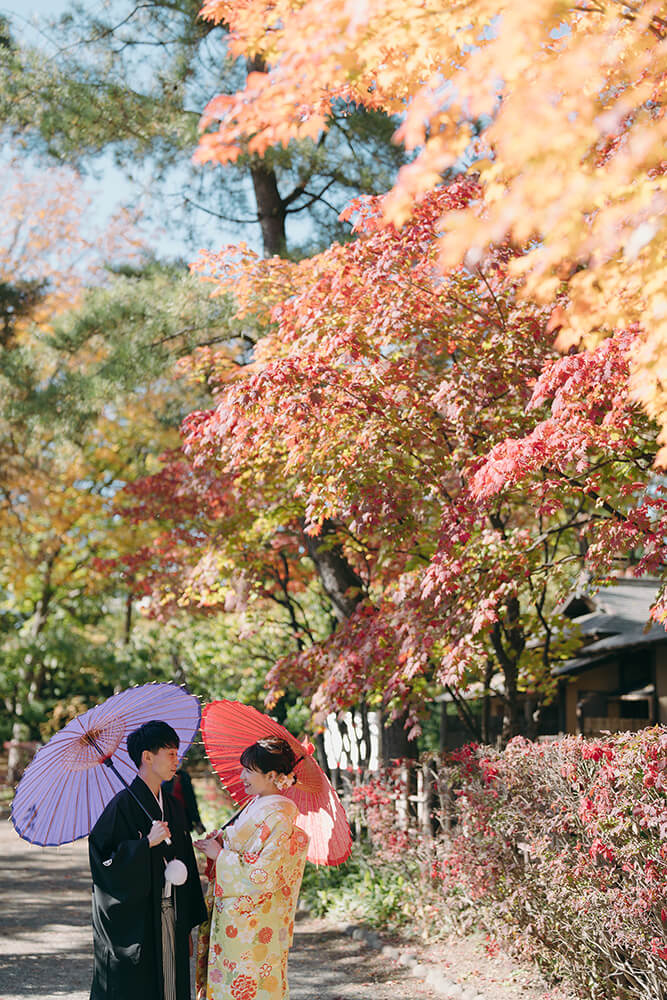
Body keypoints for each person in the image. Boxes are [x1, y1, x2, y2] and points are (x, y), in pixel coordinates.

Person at [88, 719, 207, 1000]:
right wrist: (144, 845)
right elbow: (102, 860)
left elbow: (186, 862)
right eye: (171, 754)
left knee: (171, 983)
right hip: (139, 919)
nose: (176, 760)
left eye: (177, 754)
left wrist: (185, 922)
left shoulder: (173, 806)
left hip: (171, 911)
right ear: (147, 757)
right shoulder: (122, 806)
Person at [194, 738, 309, 1000]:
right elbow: (243, 847)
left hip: (256, 918)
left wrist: (220, 855)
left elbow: (265, 872)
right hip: (234, 911)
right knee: (228, 977)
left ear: (271, 775)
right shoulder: (256, 805)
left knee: (249, 980)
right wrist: (221, 842)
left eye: (249, 770)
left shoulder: (279, 816)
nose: (242, 776)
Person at [163, 766, 205, 835]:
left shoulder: (184, 776)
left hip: (184, 814)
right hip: (170, 816)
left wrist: (197, 820)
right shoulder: (164, 778)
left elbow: (191, 799)